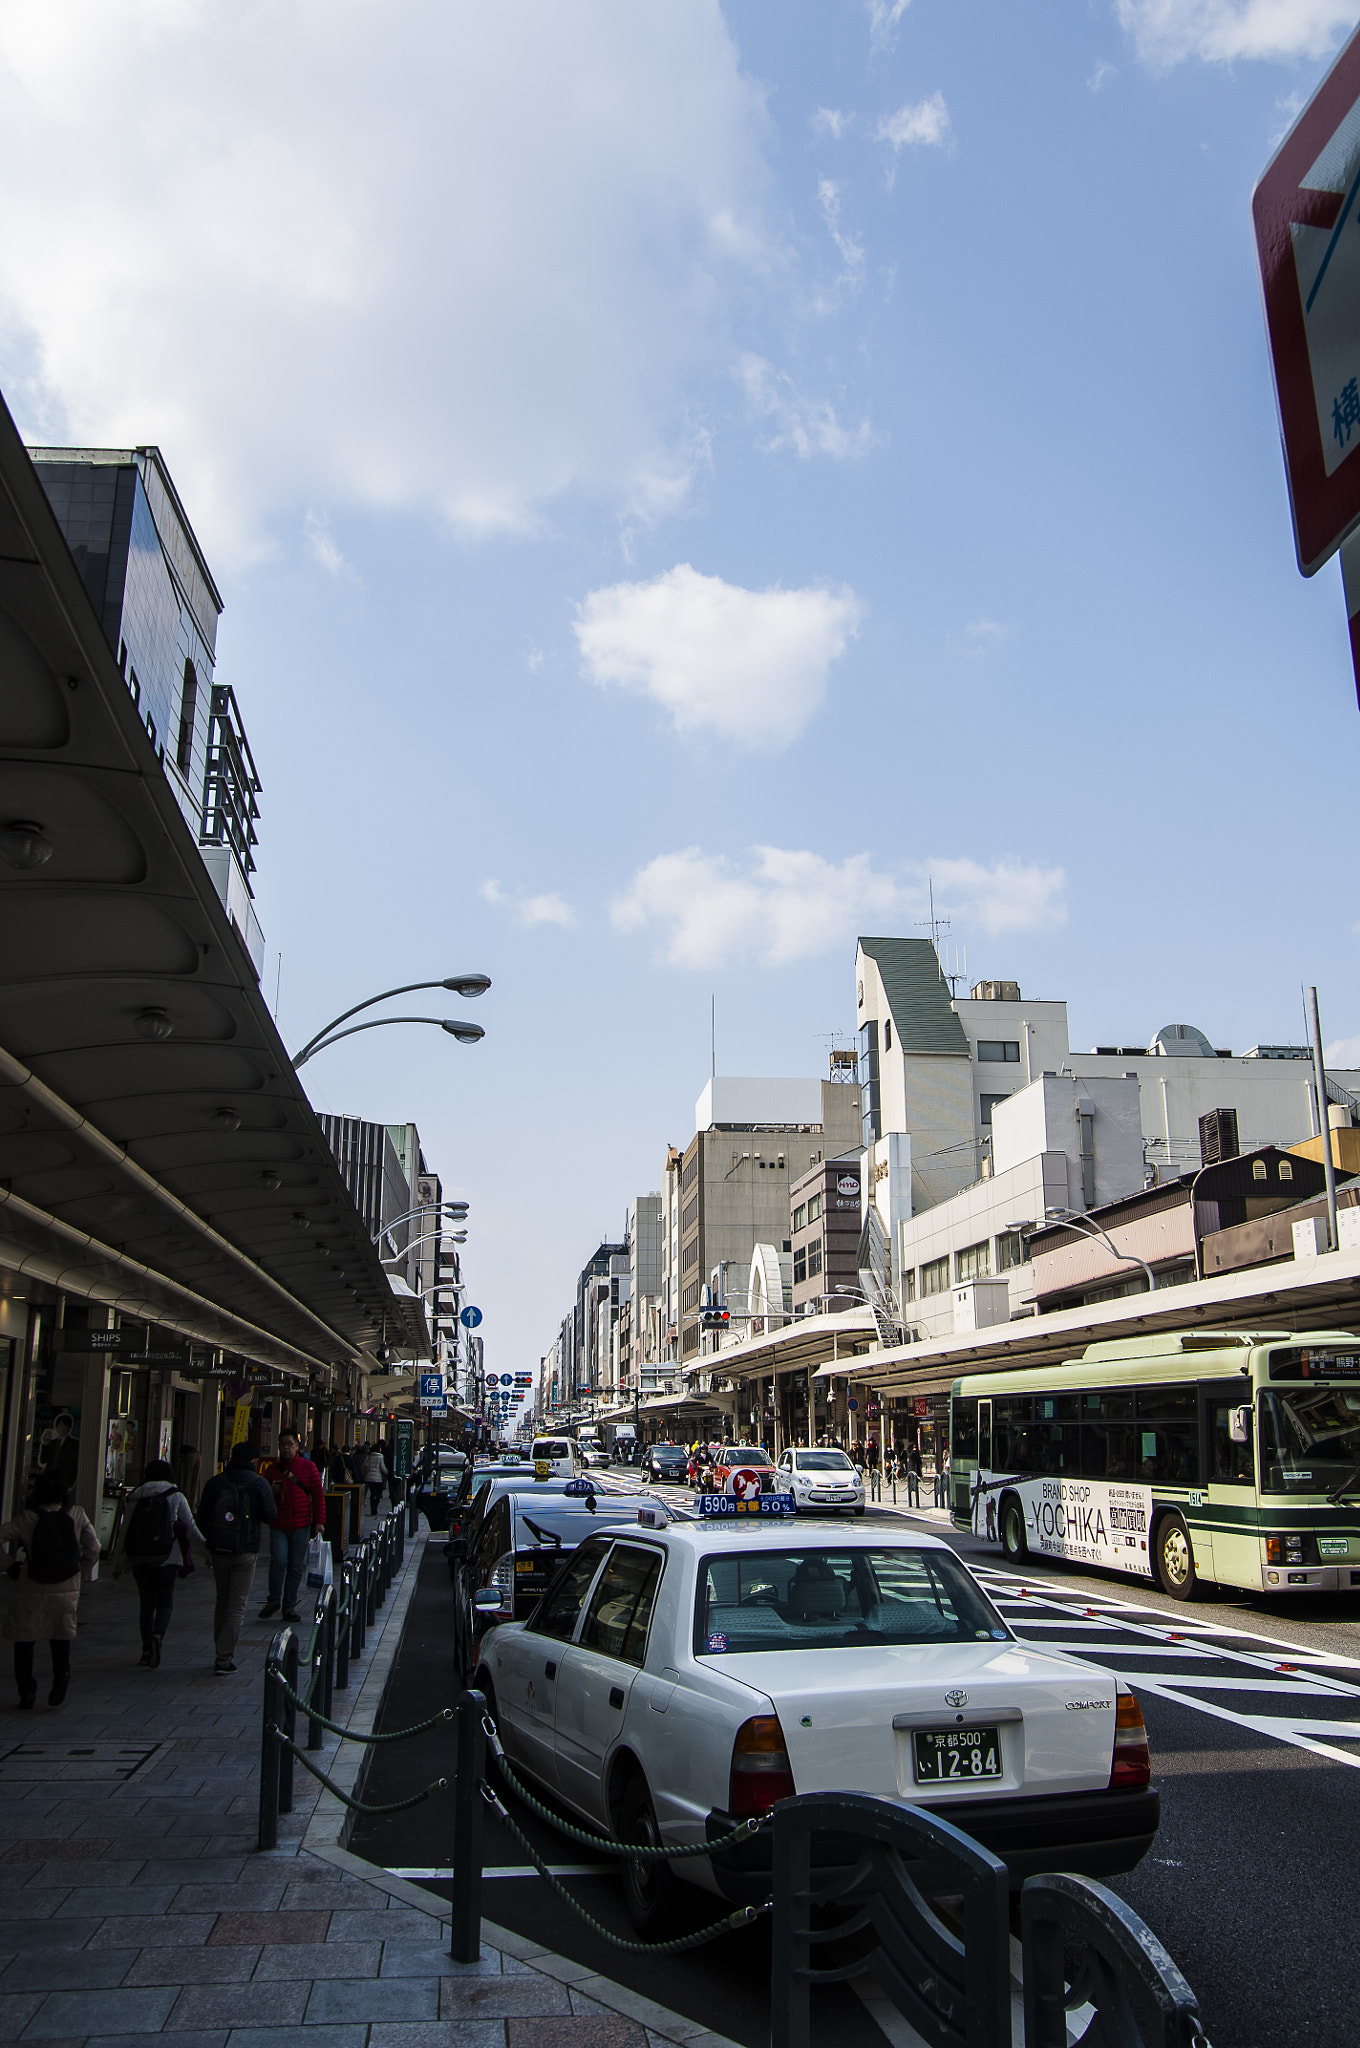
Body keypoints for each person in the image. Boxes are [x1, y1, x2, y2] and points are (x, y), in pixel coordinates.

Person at [1, 1468, 100, 1708]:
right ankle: (61, 1678)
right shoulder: (76, 1514)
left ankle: (27, 1690)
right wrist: (81, 1571)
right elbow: (94, 1548)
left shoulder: (27, 1518)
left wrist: (9, 1565)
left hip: (31, 1585)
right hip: (66, 1586)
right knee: (60, 1636)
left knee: (24, 1639)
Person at [197, 1442, 278, 1673]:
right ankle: (224, 1658)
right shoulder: (259, 1483)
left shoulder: (215, 1482)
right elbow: (270, 1516)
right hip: (246, 1549)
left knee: (222, 1601)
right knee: (236, 1605)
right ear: (254, 1460)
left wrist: (212, 1541)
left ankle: (220, 1648)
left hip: (219, 1550)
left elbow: (201, 1517)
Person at [112, 1458, 201, 1667]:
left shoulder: (136, 1496)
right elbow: (190, 1527)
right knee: (165, 1602)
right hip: (167, 1557)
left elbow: (123, 1533)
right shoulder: (175, 1495)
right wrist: (207, 1551)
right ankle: (158, 1634)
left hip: (139, 1557)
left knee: (146, 1604)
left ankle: (145, 1650)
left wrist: (117, 1562)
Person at [259, 1430, 325, 1622]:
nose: (286, 1448)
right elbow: (263, 1499)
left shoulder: (308, 1467)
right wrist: (271, 1491)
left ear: (298, 1447)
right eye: (282, 1444)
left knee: (296, 1566)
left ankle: (289, 1606)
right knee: (278, 1561)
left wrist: (319, 1522)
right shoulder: (271, 1470)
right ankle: (273, 1601)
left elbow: (318, 1496)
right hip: (278, 1524)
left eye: (290, 1444)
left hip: (302, 1524)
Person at [362, 1442, 388, 1516]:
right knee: (378, 1494)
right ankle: (375, 1507)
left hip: (369, 1478)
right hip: (377, 1478)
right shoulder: (380, 1457)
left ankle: (372, 1507)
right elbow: (382, 1468)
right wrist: (387, 1473)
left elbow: (364, 1466)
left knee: (372, 1493)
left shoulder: (368, 1456)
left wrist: (365, 1475)